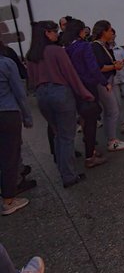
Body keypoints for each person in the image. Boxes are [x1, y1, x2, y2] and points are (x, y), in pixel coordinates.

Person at [26, 21, 94, 187]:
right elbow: (70, 74)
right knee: (66, 136)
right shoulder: (56, 51)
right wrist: (85, 93)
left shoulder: (31, 55)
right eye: (54, 31)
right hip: (60, 93)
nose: (57, 34)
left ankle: (63, 169)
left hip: (42, 95)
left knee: (57, 134)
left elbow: (31, 81)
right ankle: (69, 176)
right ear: (47, 33)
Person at [59, 19, 108, 168]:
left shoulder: (67, 48)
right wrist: (104, 82)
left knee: (84, 119)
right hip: (88, 86)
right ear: (80, 31)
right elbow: (93, 68)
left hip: (74, 87)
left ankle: (90, 149)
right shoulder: (84, 46)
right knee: (91, 120)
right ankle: (90, 155)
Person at [0, 54, 33, 215]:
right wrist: (27, 116)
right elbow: (20, 92)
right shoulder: (6, 63)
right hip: (7, 113)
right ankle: (8, 200)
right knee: (10, 157)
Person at [92, 20, 124, 152]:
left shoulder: (104, 45)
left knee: (110, 111)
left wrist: (115, 64)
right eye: (109, 30)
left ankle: (111, 138)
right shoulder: (96, 46)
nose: (111, 33)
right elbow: (100, 67)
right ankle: (112, 141)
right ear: (103, 32)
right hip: (104, 82)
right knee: (113, 110)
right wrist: (114, 66)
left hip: (109, 79)